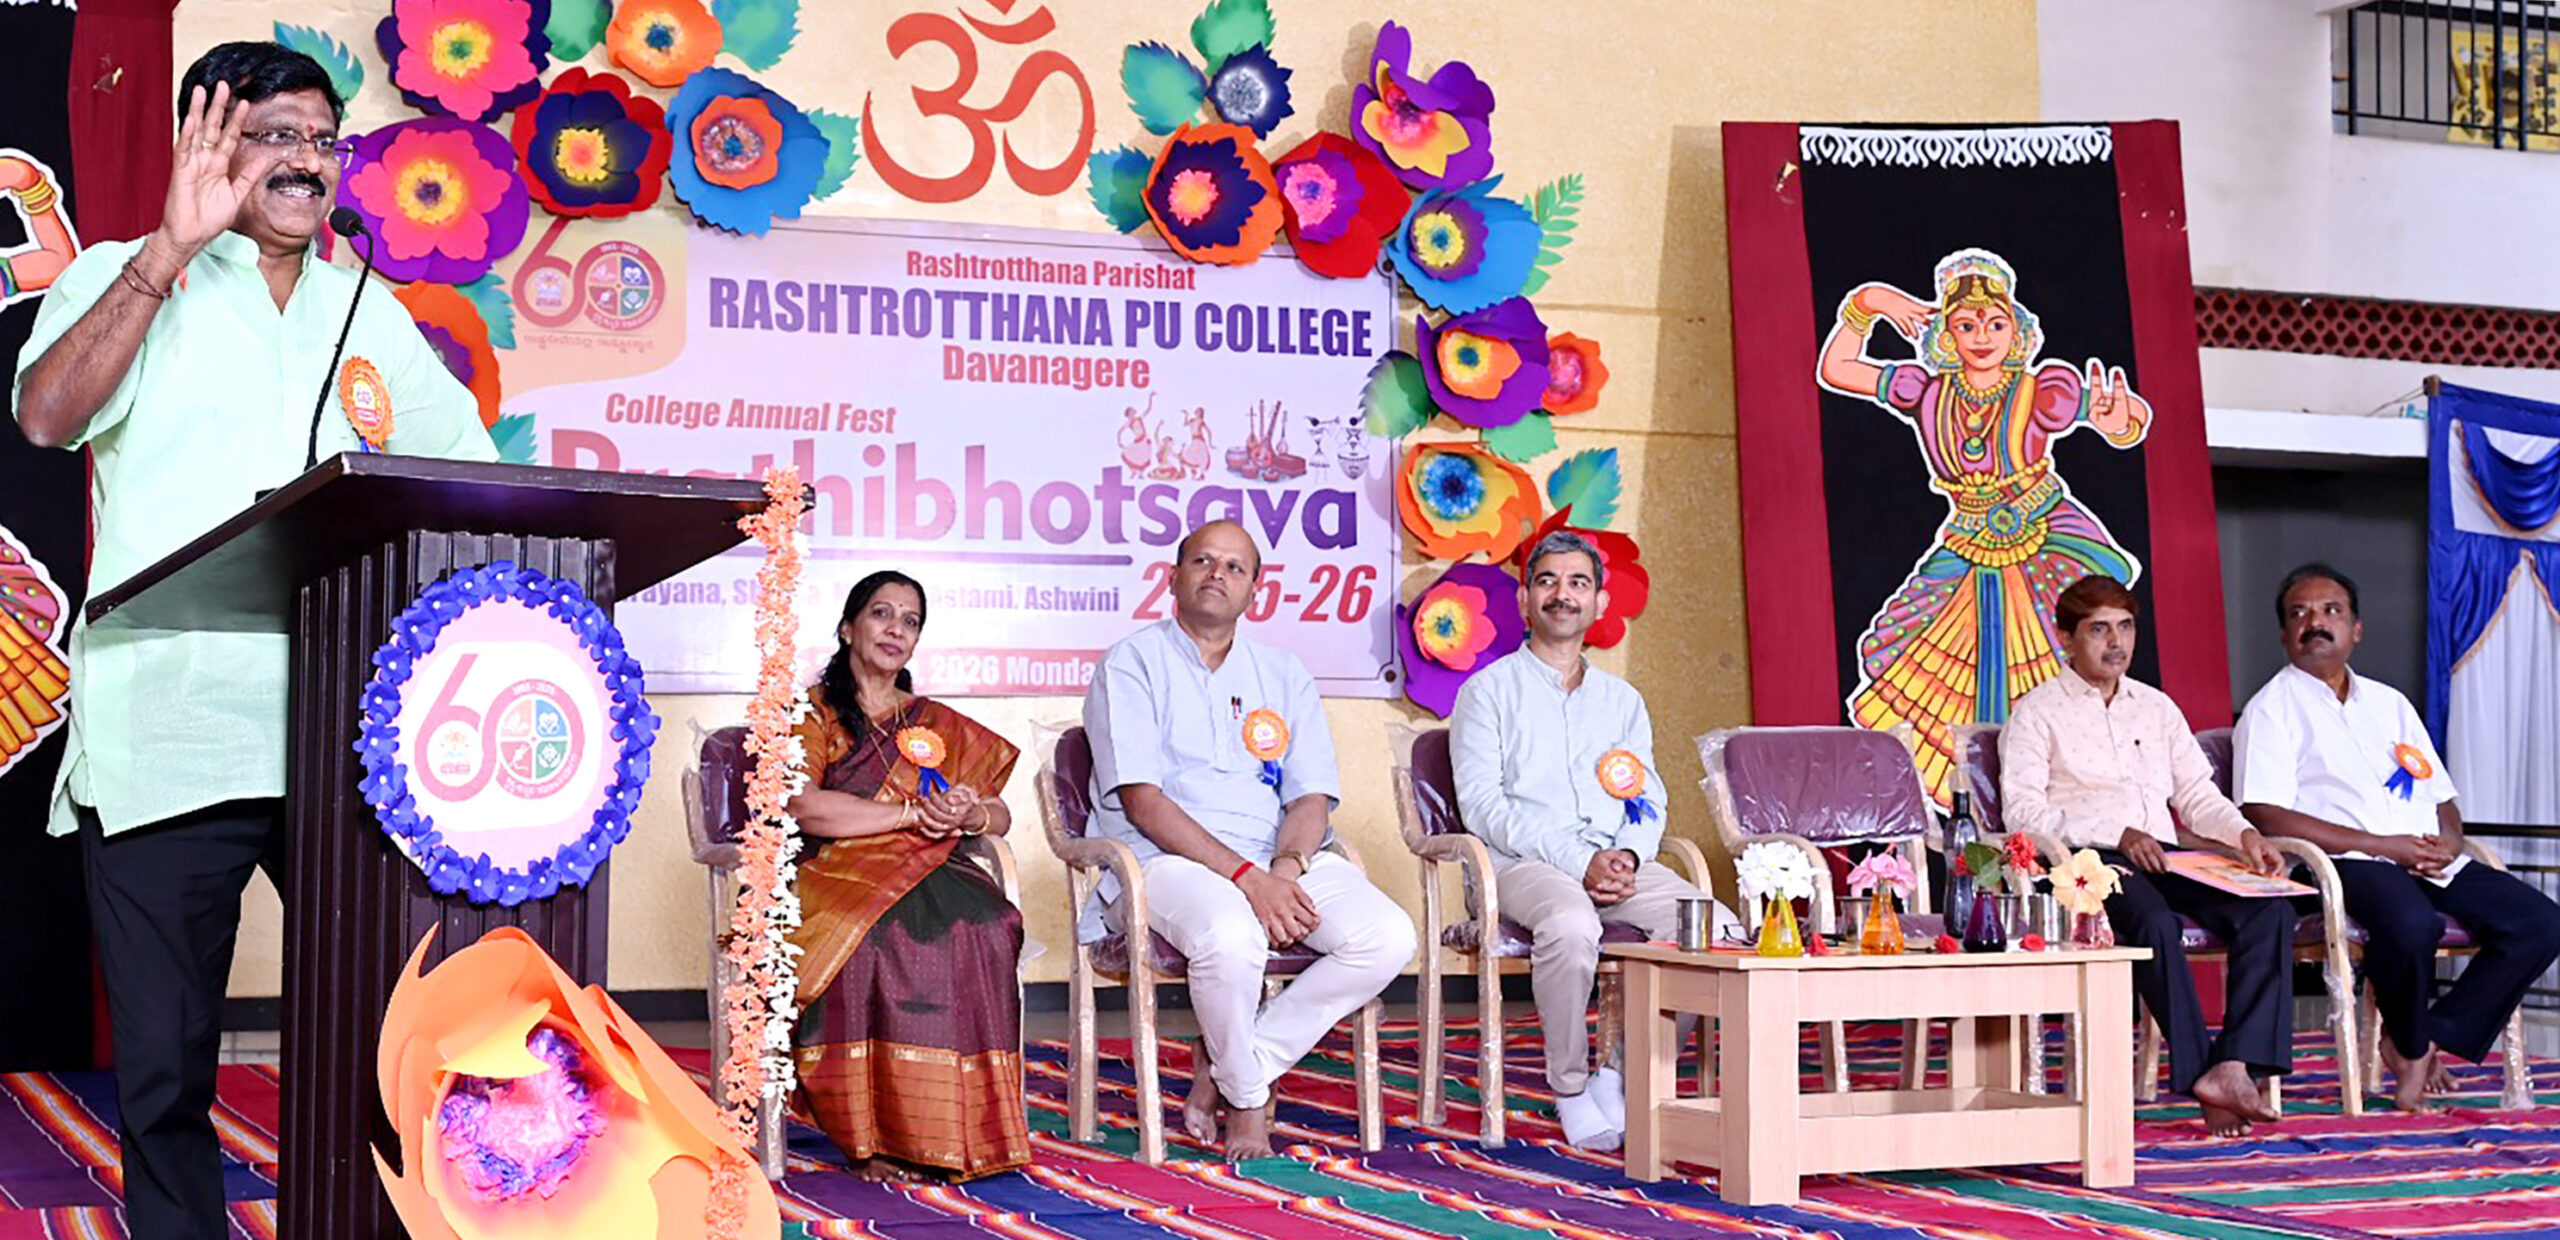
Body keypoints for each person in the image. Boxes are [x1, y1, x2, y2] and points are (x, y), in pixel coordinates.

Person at [11, 42, 496, 1240]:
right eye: (274, 134)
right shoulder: (123, 273)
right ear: (206, 143)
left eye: (322, 140)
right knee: (170, 1061)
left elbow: (473, 477)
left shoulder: (363, 308)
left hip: (349, 732)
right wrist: (167, 253)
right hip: (172, 726)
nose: (306, 161)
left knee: (393, 1033)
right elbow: (46, 416)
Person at [1081, 520, 1416, 1159]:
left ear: (1255, 591)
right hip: (1162, 861)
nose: (1218, 574)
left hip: (1273, 857)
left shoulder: (1282, 673)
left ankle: (1235, 1062)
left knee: (1388, 936)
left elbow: (1310, 796)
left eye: (1235, 567)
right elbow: (1143, 802)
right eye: (1203, 561)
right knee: (1231, 936)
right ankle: (1248, 1101)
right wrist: (1247, 879)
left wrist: (1285, 868)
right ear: (1172, 578)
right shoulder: (1131, 662)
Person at [1814, 247, 2154, 804]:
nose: (1982, 336)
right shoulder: (1927, 391)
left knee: (2063, 664)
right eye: (1967, 325)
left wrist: (2122, 422)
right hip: (1970, 540)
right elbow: (1837, 368)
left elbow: (2120, 416)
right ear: (1947, 334)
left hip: (2043, 535)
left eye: (1996, 324)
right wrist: (1868, 303)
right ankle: (1974, 807)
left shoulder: (2040, 391)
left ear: (2016, 331)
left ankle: (2060, 792)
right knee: (1920, 655)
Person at [2234, 563, 2560, 1113]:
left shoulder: (2390, 704)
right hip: (2342, 863)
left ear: (2356, 628)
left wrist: (2449, 841)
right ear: (2286, 634)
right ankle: (2409, 1050)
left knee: (2541, 922)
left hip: (2424, 857)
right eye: (2300, 614)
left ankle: (2431, 1034)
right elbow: (2264, 812)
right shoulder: (2272, 709)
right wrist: (2383, 846)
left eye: (2331, 611)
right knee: (2412, 923)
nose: (2316, 622)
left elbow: (2441, 795)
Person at [1448, 530, 1727, 1150]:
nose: (1562, 594)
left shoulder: (1621, 701)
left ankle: (1619, 1076)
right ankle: (1571, 1088)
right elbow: (1485, 808)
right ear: (1524, 599)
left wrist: (1627, 855)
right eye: (1547, 581)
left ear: (1600, 603)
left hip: (1617, 861)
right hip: (1521, 865)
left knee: (1710, 928)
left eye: (1578, 583)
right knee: (1572, 924)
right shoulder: (1487, 693)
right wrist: (1581, 861)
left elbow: (1647, 797)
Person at [1999, 574, 2292, 1137]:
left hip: (2164, 855)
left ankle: (2234, 1066)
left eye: (2126, 627)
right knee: (2154, 921)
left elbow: (2197, 795)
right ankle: (2202, 1075)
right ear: (2066, 637)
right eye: (2098, 630)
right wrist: (2117, 831)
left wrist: (2245, 835)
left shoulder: (2156, 708)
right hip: (2085, 864)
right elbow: (2024, 814)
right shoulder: (2036, 712)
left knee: (2268, 908)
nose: (2116, 642)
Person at [782, 570, 1032, 1180]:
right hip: (835, 871)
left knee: (988, 924)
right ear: (848, 628)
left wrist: (969, 813)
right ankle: (873, 1139)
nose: (896, 628)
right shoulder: (812, 713)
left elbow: (999, 814)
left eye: (910, 620)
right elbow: (806, 807)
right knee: (877, 937)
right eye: (881, 613)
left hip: (929, 865)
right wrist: (913, 814)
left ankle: (962, 1132)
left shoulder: (930, 725)